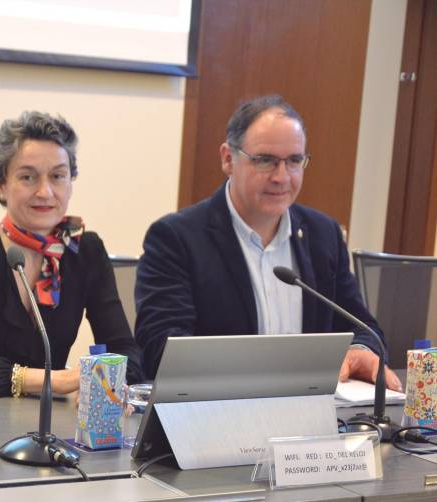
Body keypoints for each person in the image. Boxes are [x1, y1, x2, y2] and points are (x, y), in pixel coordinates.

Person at [134, 95, 402, 391]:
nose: (281, 177)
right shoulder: (176, 238)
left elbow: (363, 329)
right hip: (214, 414)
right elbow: (162, 348)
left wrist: (360, 351)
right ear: (227, 158)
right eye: (265, 161)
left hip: (311, 415)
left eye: (294, 161)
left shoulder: (322, 234)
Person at [0, 111, 144, 398]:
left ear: (71, 182)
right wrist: (51, 381)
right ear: (1, 184)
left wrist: (106, 382)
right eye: (28, 177)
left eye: (58, 176)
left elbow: (125, 351)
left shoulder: (85, 250)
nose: (45, 192)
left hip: (54, 420)